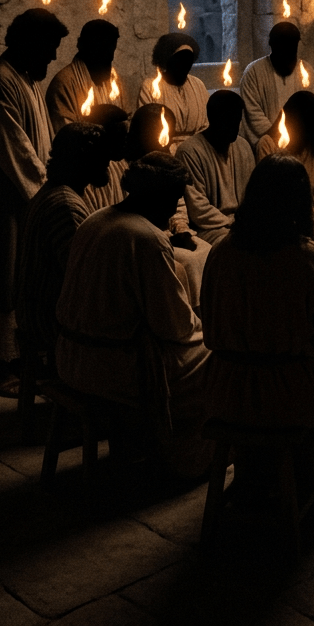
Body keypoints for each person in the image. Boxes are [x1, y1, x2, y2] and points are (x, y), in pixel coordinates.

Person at [198, 154, 314, 503]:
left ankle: (260, 470)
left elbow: (210, 330)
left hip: (228, 392)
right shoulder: (313, 259)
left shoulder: (220, 253)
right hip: (289, 397)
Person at [55, 153, 209, 432]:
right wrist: (207, 327)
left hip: (68, 356)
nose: (174, 211)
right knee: (218, 357)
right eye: (173, 201)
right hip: (110, 367)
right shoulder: (147, 239)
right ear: (157, 197)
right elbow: (175, 327)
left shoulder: (94, 220)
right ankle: (185, 453)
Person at [0, 7, 68, 394]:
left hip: (28, 202)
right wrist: (50, 190)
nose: (55, 57)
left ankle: (22, 356)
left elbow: (40, 141)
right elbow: (15, 149)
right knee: (2, 277)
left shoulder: (26, 77)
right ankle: (1, 366)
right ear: (30, 44)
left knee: (22, 281)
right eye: (50, 48)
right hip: (4, 204)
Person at [85, 103, 211, 305]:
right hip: (134, 238)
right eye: (157, 130)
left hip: (158, 233)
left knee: (204, 250)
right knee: (187, 263)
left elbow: (176, 206)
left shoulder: (162, 160)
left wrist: (181, 230)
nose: (163, 138)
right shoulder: (122, 166)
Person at [16, 123, 112, 355]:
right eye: (102, 157)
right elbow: (81, 279)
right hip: (48, 322)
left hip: (39, 313)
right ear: (83, 159)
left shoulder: (54, 191)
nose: (108, 165)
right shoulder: (66, 206)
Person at [255, 90, 314, 243]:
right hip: (285, 214)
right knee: (309, 233)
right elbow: (270, 192)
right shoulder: (268, 144)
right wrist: (303, 210)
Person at [176, 90, 256, 245]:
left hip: (242, 224)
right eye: (229, 121)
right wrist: (231, 223)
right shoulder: (190, 151)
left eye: (237, 121)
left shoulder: (243, 146)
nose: (234, 127)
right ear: (213, 119)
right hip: (210, 229)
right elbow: (197, 207)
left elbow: (253, 194)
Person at [239, 22, 314, 147]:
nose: (287, 53)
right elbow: (253, 114)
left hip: (302, 145)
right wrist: (277, 139)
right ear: (272, 45)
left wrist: (299, 137)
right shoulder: (253, 73)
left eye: (291, 47)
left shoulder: (306, 71)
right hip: (267, 148)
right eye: (282, 47)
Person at [45, 19, 120, 133]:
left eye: (111, 51)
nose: (110, 59)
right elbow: (65, 137)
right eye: (102, 51)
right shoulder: (64, 83)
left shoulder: (111, 83)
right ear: (82, 46)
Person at [137, 33, 209, 151]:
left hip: (196, 150)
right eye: (180, 60)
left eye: (189, 60)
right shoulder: (150, 87)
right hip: (165, 150)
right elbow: (147, 125)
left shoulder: (198, 85)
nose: (185, 65)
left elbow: (206, 123)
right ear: (168, 60)